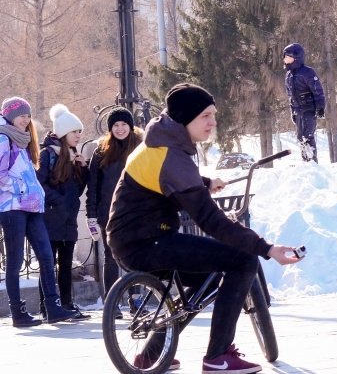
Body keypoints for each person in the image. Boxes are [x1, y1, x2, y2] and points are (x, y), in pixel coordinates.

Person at [106, 83, 301, 373]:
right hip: (148, 243)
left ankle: (150, 355)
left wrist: (206, 182)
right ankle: (218, 356)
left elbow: (169, 174)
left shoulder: (160, 142)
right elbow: (210, 221)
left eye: (214, 114)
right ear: (185, 119)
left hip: (134, 240)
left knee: (202, 285)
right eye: (205, 116)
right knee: (242, 260)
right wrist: (267, 248)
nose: (213, 121)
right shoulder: (170, 155)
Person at [0, 96, 78, 326]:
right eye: (22, 115)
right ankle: (18, 312)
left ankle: (53, 307)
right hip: (13, 207)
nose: (26, 120)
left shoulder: (21, 140)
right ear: (11, 115)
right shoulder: (4, 139)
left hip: (32, 208)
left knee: (45, 256)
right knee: (15, 262)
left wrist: (36, 195)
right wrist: (24, 191)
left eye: (28, 115)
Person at [36, 104, 90, 320]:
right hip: (50, 219)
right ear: (64, 133)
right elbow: (40, 185)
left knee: (66, 264)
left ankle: (67, 304)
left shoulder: (73, 156)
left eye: (79, 132)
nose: (78, 136)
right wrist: (58, 201)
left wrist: (83, 168)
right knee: (48, 265)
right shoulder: (47, 154)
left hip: (68, 220)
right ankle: (46, 306)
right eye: (75, 132)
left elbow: (77, 191)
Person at [86, 107, 142, 298]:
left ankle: (136, 300)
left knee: (135, 256)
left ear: (130, 126)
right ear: (110, 128)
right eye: (115, 125)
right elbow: (93, 185)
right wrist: (91, 214)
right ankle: (112, 302)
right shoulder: (101, 151)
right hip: (108, 213)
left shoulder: (141, 148)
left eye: (123, 124)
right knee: (111, 257)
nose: (120, 129)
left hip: (135, 212)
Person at [283, 43, 326, 163]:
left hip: (308, 109)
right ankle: (305, 161)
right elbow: (290, 96)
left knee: (307, 135)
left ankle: (312, 162)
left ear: (297, 58)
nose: (285, 60)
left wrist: (320, 107)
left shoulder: (307, 72)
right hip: (298, 110)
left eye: (288, 57)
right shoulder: (288, 75)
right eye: (285, 57)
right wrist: (292, 111)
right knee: (300, 137)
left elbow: (317, 90)